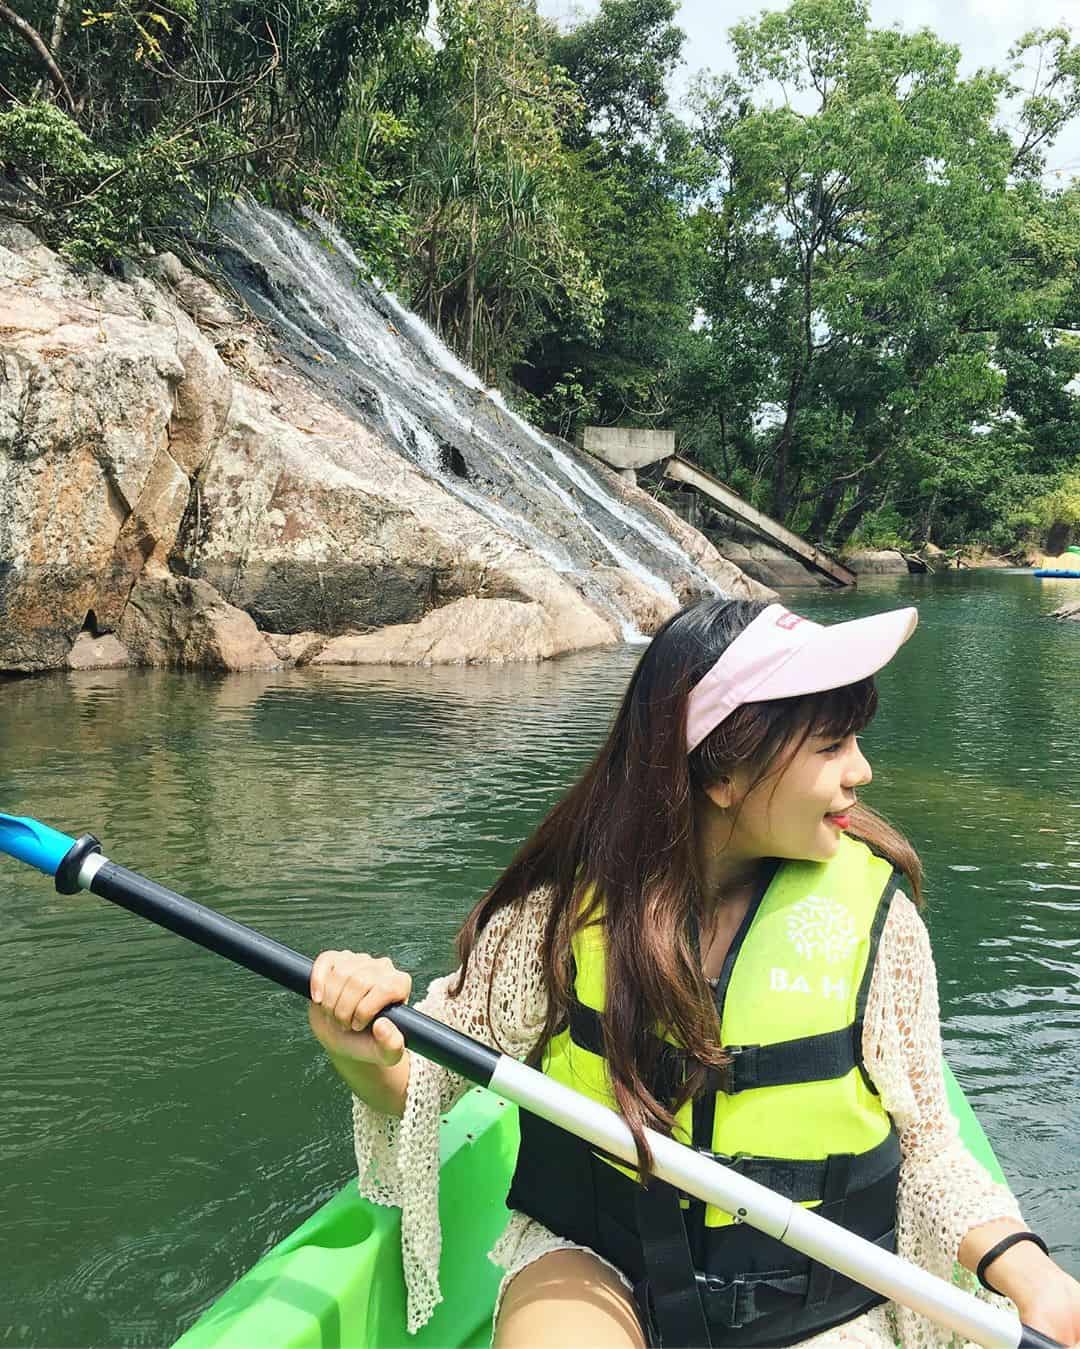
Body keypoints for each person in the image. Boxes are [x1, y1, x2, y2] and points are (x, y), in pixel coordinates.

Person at [307, 598, 1080, 1349]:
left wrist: (1033, 1274)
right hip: (599, 1258)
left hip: (811, 1295)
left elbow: (928, 1150)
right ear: (722, 772)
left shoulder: (880, 927)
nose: (862, 771)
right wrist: (357, 1042)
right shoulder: (563, 914)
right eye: (830, 746)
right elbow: (424, 1080)